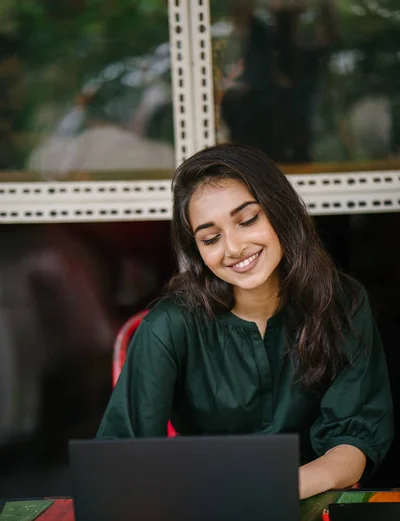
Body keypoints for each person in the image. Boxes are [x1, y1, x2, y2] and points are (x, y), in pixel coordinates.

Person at [97, 144, 394, 499]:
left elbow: (354, 443)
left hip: (312, 504)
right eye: (210, 238)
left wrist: (274, 489)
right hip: (205, 513)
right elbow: (121, 458)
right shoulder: (169, 327)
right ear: (197, 251)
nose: (234, 247)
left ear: (280, 211)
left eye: (248, 220)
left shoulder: (343, 302)